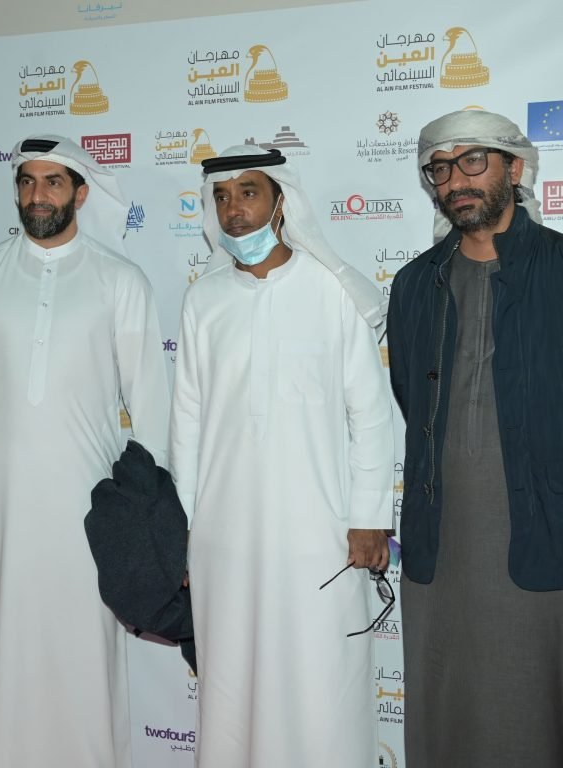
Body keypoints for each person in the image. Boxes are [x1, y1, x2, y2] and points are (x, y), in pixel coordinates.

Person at [0, 135, 169, 768]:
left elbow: (151, 405)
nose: (38, 194)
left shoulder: (120, 281)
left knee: (78, 651)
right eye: (27, 181)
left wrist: (153, 516)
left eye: (53, 182)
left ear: (80, 194)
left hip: (88, 511)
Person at [169, 146, 394, 767]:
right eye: (222, 196)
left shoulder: (331, 291)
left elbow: (371, 414)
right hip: (223, 539)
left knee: (321, 682)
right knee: (230, 682)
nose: (233, 210)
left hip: (317, 534)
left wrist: (369, 517)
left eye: (248, 192)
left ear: (281, 202)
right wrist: (181, 529)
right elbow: (186, 423)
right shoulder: (203, 300)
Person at [387, 108, 563, 767]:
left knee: (535, 711)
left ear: (514, 169)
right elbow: (410, 396)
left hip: (545, 532)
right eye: (439, 168)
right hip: (442, 535)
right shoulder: (415, 284)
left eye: (473, 161)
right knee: (447, 711)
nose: (455, 180)